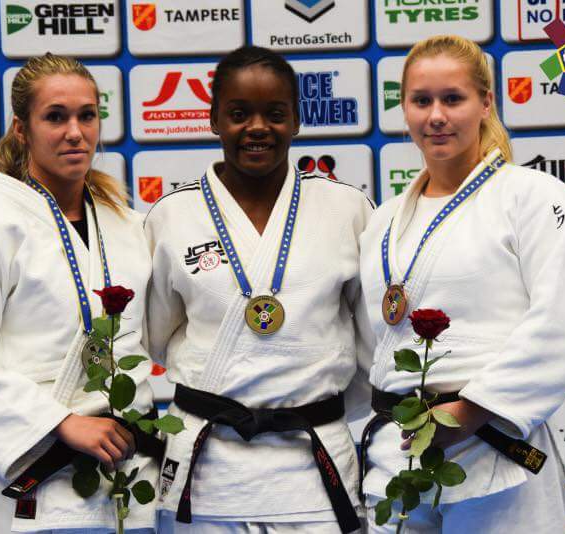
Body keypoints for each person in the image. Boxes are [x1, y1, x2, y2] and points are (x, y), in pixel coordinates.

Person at [358, 35, 565, 533]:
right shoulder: (383, 222)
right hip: (397, 457)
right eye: (421, 101)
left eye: (453, 99)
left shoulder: (535, 198)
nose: (436, 116)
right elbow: (376, 344)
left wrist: (469, 412)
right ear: (404, 108)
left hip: (495, 451)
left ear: (485, 103)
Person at [0, 54, 158, 533]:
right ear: (21, 129)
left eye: (87, 115)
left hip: (128, 481)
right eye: (55, 117)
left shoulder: (132, 227)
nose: (75, 132)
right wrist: (61, 423)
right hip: (37, 480)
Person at [144, 45, 374, 533]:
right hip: (208, 473)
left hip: (313, 464)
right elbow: (157, 335)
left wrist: (319, 401)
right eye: (238, 114)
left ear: (296, 120)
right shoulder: (172, 216)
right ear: (213, 120)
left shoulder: (347, 209)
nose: (257, 128)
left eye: (275, 113)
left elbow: (371, 343)